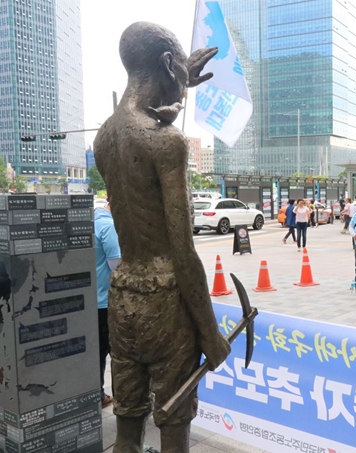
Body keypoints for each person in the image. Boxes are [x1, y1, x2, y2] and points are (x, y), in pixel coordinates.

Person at [93, 22, 231, 450]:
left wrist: (176, 77)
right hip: (165, 300)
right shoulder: (166, 142)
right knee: (173, 425)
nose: (183, 92)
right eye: (180, 77)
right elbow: (182, 250)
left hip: (122, 296)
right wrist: (209, 332)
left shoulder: (104, 137)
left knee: (127, 426)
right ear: (169, 64)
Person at [94, 198, 120, 408]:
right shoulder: (109, 226)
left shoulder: (90, 220)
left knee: (96, 353)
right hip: (105, 302)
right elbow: (117, 266)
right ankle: (124, 397)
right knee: (119, 353)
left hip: (88, 302)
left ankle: (97, 395)